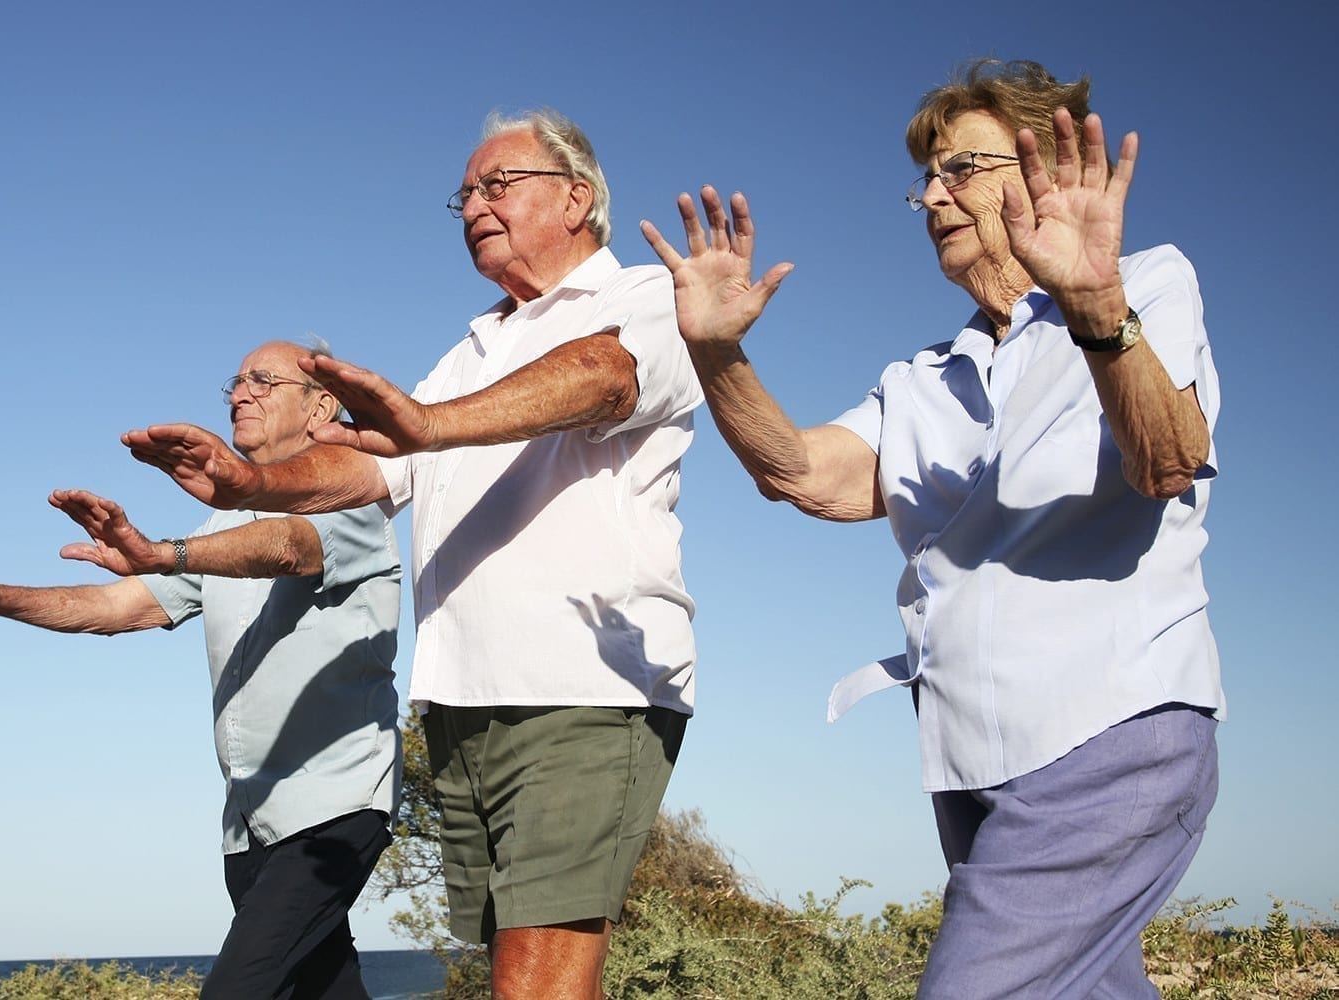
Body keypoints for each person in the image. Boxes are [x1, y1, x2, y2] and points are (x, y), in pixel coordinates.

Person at [642, 59, 1222, 999]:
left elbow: (1166, 461)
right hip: (969, 760)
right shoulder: (919, 378)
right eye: (928, 179)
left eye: (962, 170)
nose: (935, 198)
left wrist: (1095, 309)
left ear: (1038, 169)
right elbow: (797, 472)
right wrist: (716, 354)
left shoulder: (1142, 284)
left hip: (1113, 731)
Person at [121, 108, 703, 999]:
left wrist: (429, 428)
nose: (474, 204)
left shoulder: (645, 300)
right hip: (463, 700)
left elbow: (601, 376)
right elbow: (367, 467)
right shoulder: (471, 349)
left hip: (584, 685)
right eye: (464, 193)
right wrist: (247, 483)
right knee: (517, 966)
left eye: (498, 184)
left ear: (577, 198)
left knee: (536, 974)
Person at [0, 339, 403, 1000]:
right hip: (249, 826)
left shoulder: (348, 498)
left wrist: (165, 552)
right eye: (235, 382)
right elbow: (114, 607)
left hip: (332, 808)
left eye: (262, 380)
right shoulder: (224, 523)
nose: (239, 393)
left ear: (320, 406)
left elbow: (286, 547)